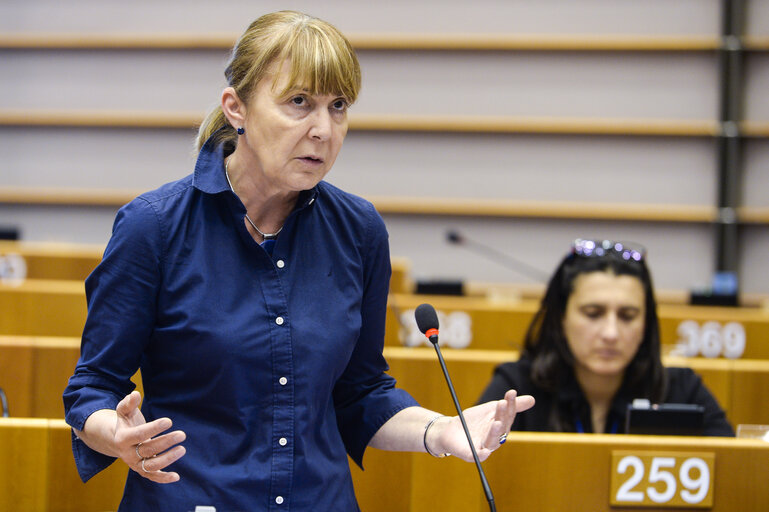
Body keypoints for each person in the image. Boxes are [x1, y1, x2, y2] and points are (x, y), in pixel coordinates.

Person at [63, 11, 534, 511]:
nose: (322, 130)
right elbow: (91, 388)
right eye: (299, 103)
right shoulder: (153, 227)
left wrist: (443, 432)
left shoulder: (360, 231)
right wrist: (112, 431)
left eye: (338, 107)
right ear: (236, 108)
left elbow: (362, 393)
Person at [478, 238, 734, 436]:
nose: (611, 333)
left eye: (627, 315)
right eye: (593, 313)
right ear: (561, 318)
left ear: (646, 323)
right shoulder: (516, 389)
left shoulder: (682, 391)